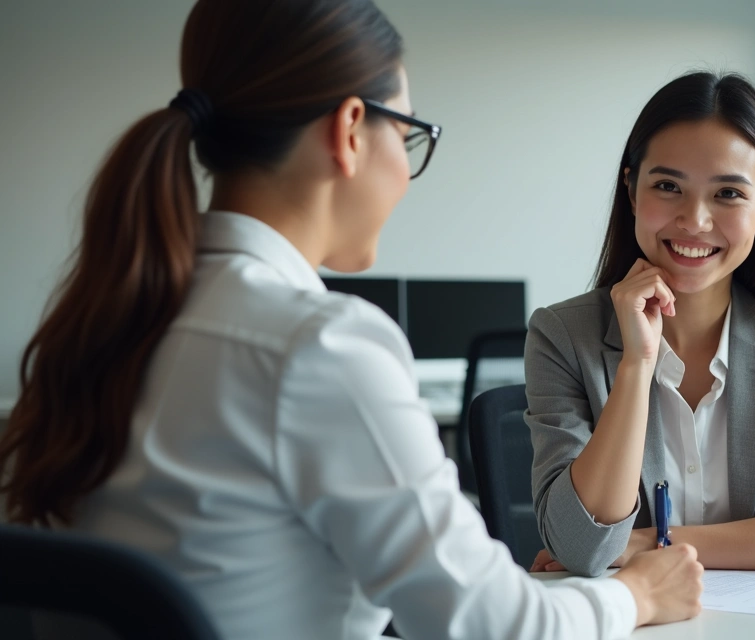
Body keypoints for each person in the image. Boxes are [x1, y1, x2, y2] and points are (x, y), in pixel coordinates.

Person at [0, 1, 702, 638]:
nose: (406, 171)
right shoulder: (320, 347)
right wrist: (637, 595)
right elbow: (492, 625)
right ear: (351, 130)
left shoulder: (104, 320)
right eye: (410, 134)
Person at [526, 72, 755, 578]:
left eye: (728, 193)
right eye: (668, 186)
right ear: (631, 191)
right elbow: (582, 546)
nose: (695, 220)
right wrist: (637, 365)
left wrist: (651, 543)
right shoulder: (561, 337)